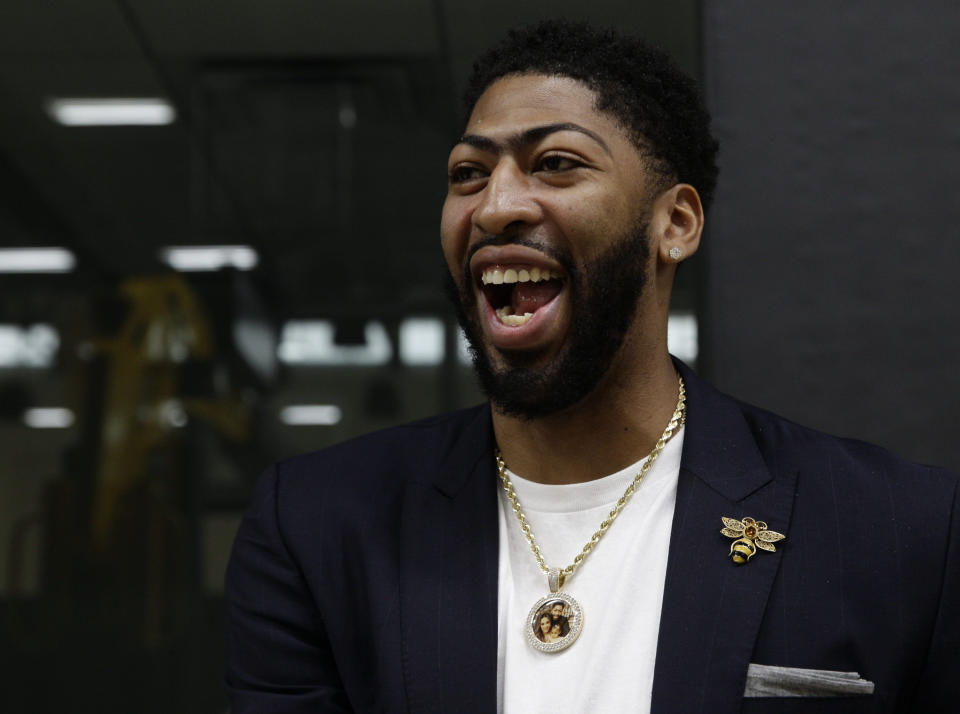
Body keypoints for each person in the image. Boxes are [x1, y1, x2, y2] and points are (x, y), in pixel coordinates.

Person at [225, 19, 959, 714]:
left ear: (674, 224)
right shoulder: (320, 528)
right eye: (468, 173)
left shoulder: (903, 532)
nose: (495, 206)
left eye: (556, 164)